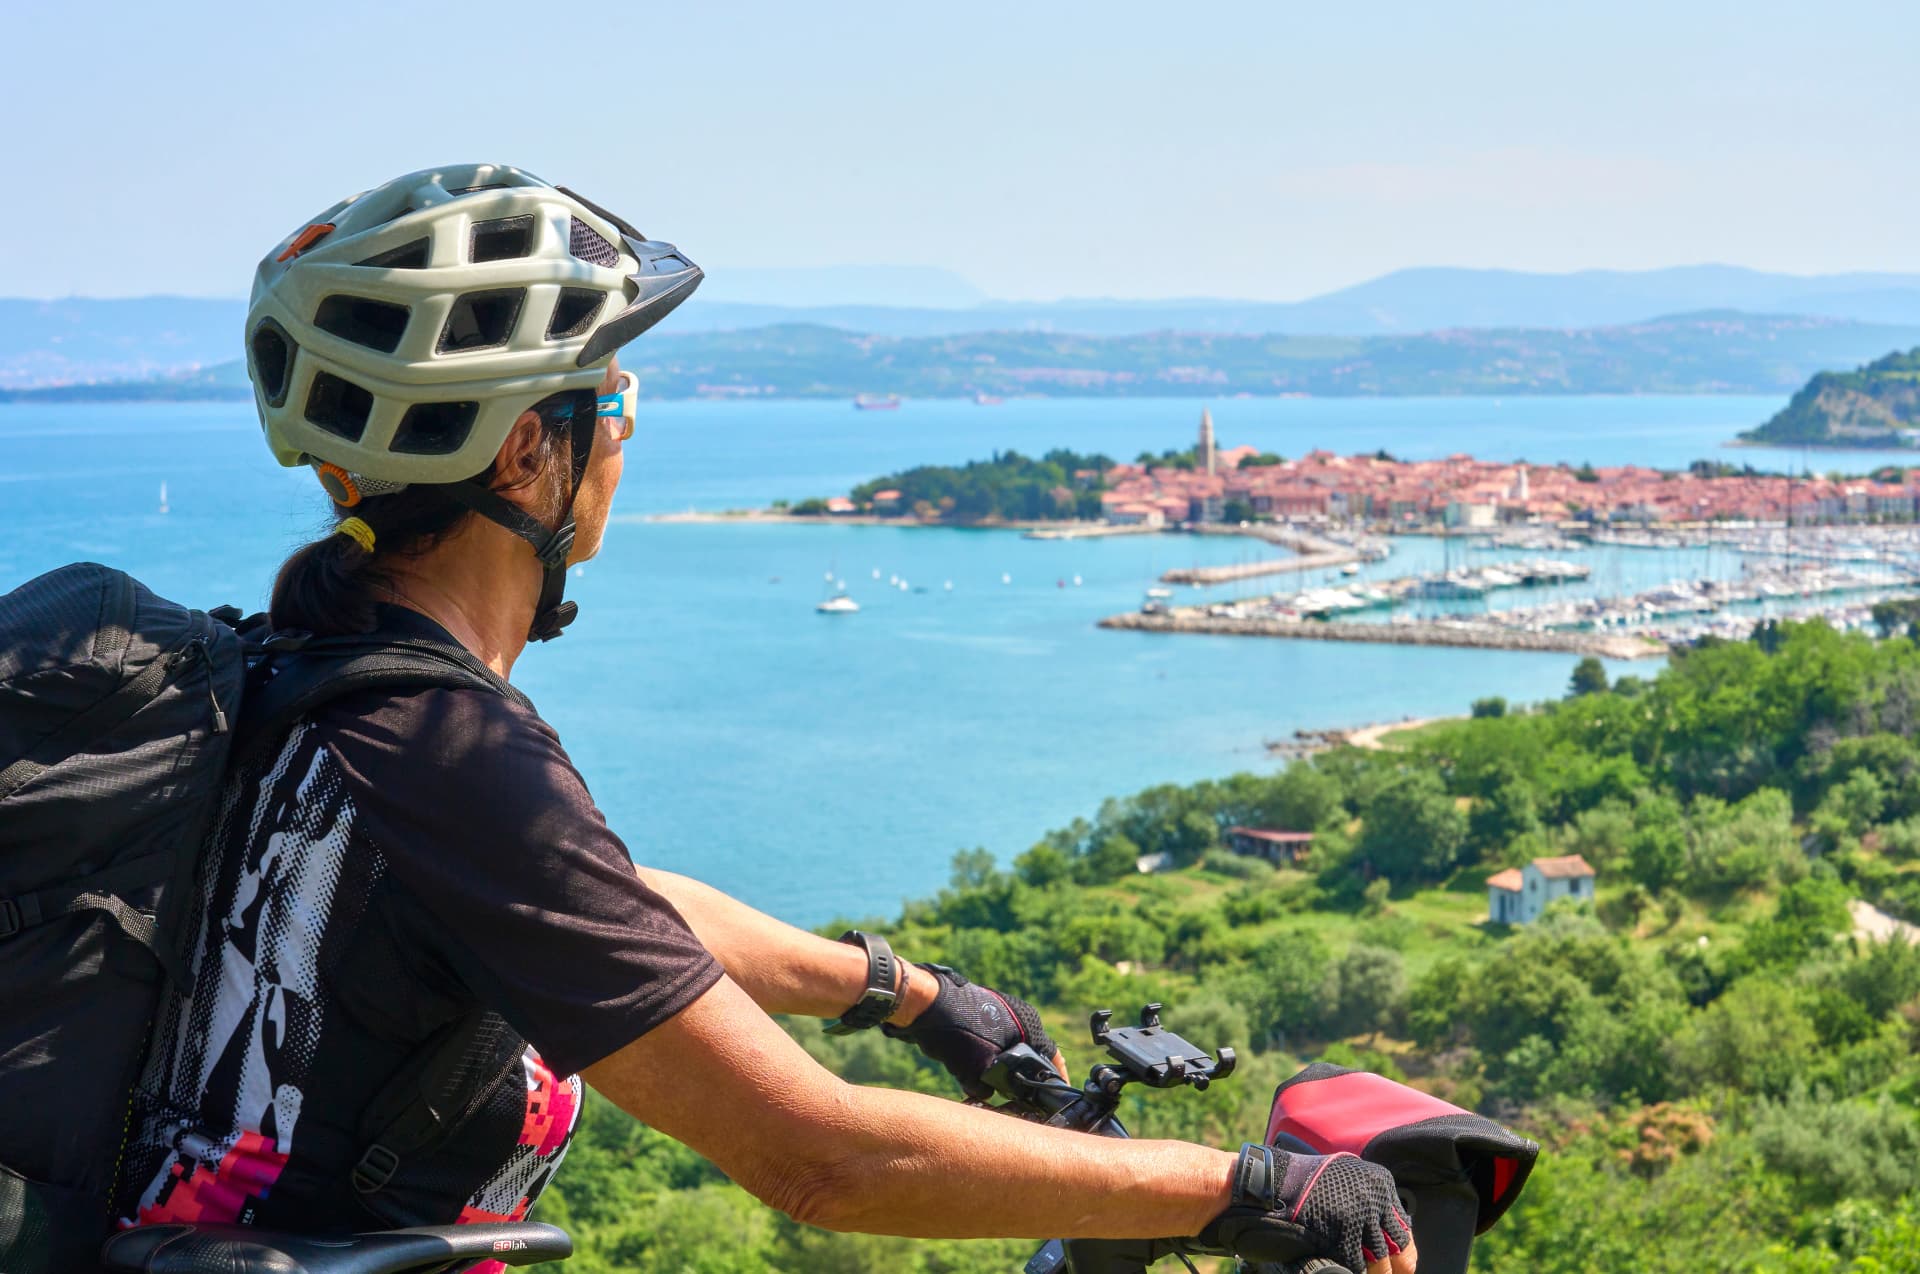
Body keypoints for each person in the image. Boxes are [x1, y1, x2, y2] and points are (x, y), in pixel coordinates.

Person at [116, 165, 1417, 1274]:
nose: (626, 429)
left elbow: (602, 904)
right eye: (613, 397)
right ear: (525, 455)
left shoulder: (313, 671)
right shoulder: (450, 758)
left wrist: (897, 988)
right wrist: (1252, 1188)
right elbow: (822, 1158)